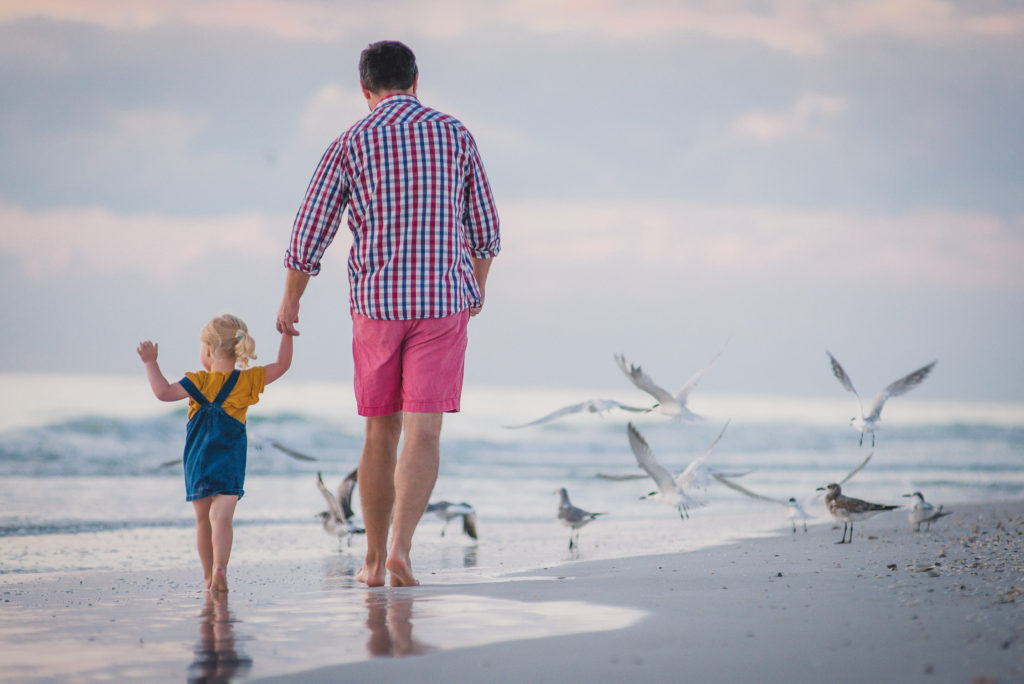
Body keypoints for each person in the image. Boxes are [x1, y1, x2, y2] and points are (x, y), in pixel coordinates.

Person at [276, 40, 500, 587]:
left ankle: (373, 562)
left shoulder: (351, 141)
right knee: (425, 433)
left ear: (364, 90)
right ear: (416, 80)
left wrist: (291, 298)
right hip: (442, 302)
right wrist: (474, 292)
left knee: (380, 432)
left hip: (377, 306)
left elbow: (310, 233)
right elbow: (487, 234)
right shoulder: (455, 135)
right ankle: (401, 549)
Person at [138, 314, 293, 592]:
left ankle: (209, 577)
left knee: (202, 521)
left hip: (198, 461)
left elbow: (162, 392)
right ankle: (221, 568)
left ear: (208, 349)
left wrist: (151, 363)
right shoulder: (247, 381)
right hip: (230, 462)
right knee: (222, 518)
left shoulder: (196, 382)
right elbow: (282, 365)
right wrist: (286, 334)